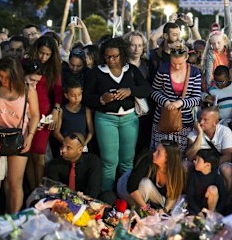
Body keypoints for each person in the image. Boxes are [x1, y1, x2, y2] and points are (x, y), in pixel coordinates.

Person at [83, 37, 152, 191]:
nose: (111, 60)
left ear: (122, 54)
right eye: (108, 57)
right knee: (109, 161)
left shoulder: (131, 70)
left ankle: (126, 194)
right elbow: (86, 98)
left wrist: (130, 91)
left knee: (127, 160)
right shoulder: (96, 73)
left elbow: (147, 89)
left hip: (130, 118)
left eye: (115, 56)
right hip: (106, 119)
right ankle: (108, 196)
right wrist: (101, 99)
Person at [0, 57, 40, 213]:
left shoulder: (28, 90)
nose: (3, 80)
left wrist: (30, 136)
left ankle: (13, 219)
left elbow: (36, 115)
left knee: (14, 184)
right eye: (0, 76)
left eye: (6, 77)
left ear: (16, 75)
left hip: (19, 138)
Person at [150, 43, 202, 153]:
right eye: (173, 63)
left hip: (184, 122)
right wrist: (165, 101)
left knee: (179, 155)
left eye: (180, 63)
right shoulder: (163, 69)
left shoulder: (194, 72)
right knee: (159, 153)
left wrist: (181, 103)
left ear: (187, 57)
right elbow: (153, 91)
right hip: (163, 119)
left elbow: (197, 98)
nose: (177, 66)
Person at [27, 35, 63, 188]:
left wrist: (55, 111)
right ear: (36, 50)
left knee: (39, 155)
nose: (44, 57)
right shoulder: (25, 64)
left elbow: (58, 93)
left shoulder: (53, 68)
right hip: (26, 112)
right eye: (41, 53)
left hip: (44, 115)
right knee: (27, 155)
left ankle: (41, 190)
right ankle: (32, 191)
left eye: (48, 54)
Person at [117, 141, 185, 213]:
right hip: (125, 186)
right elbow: (131, 186)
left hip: (153, 196)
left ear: (167, 159)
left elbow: (173, 194)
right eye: (155, 150)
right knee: (145, 184)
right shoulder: (148, 160)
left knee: (177, 203)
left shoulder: (176, 171)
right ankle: (137, 211)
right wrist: (146, 209)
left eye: (158, 152)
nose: (154, 153)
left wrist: (165, 209)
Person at [185, 107, 232, 194]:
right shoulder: (194, 133)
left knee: (227, 169)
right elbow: (189, 155)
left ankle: (228, 200)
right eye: (200, 119)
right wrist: (200, 134)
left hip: (216, 162)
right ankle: (187, 197)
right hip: (199, 163)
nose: (201, 122)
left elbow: (228, 156)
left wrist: (209, 166)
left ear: (215, 123)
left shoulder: (225, 131)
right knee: (184, 165)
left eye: (205, 120)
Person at [45, 133, 102, 198]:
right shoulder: (54, 164)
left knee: (109, 196)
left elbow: (94, 188)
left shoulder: (92, 161)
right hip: (62, 200)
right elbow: (54, 189)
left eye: (68, 148)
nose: (63, 150)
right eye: (63, 146)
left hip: (87, 200)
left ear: (80, 150)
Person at [54, 80, 94, 152]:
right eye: (73, 95)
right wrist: (67, 143)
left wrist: (84, 144)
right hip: (66, 147)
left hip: (82, 147)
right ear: (66, 95)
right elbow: (56, 132)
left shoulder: (86, 110)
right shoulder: (62, 111)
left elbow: (91, 131)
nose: (77, 98)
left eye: (79, 95)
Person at [186, 149, 227, 215]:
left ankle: (210, 215)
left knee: (213, 189)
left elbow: (223, 197)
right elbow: (190, 196)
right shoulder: (193, 175)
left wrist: (217, 211)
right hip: (196, 208)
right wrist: (198, 212)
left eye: (198, 160)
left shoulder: (216, 177)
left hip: (211, 208)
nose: (194, 161)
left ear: (207, 165)